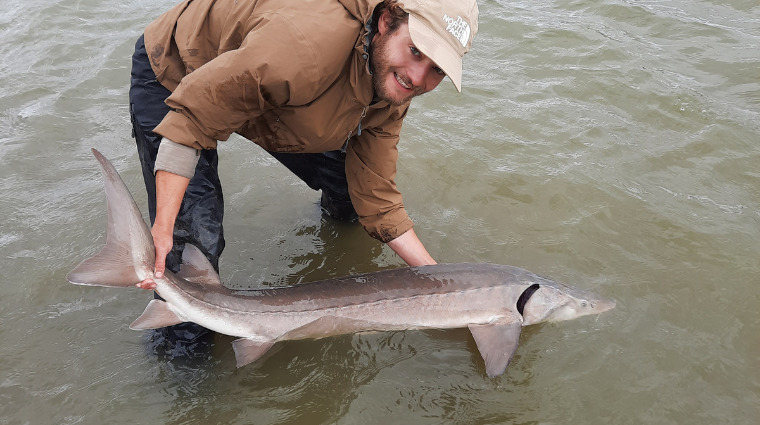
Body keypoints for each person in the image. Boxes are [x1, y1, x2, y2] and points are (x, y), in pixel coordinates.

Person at [128, 0, 479, 355]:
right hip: (179, 77)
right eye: (416, 51)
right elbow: (193, 119)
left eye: (436, 70)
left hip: (284, 91)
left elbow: (375, 190)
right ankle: (184, 370)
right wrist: (163, 228)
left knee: (350, 199)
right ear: (387, 22)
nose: (418, 78)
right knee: (188, 246)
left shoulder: (394, 81)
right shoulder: (302, 47)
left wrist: (444, 284)